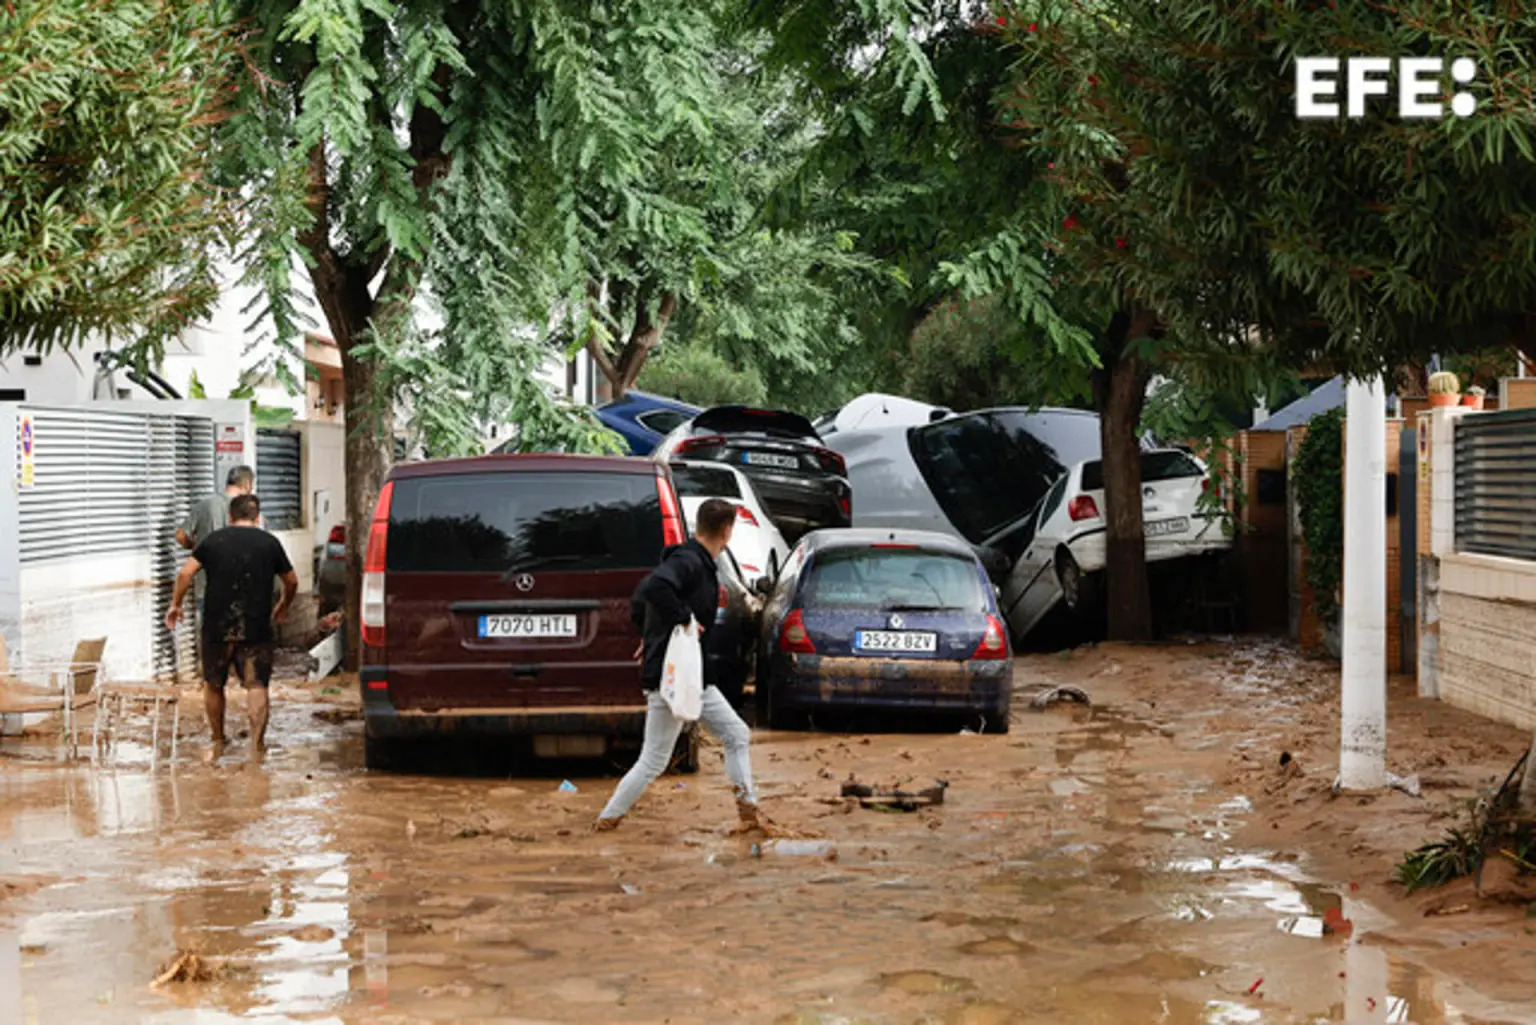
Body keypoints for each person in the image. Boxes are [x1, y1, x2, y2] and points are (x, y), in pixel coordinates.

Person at [595, 499, 765, 832]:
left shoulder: (694, 561)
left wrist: (652, 633)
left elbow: (642, 598)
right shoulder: (690, 562)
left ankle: (749, 812)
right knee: (654, 760)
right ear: (727, 531)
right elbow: (656, 587)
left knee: (736, 734)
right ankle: (606, 821)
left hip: (693, 677)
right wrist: (682, 618)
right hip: (673, 677)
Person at [165, 493, 298, 758]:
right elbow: (292, 581)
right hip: (257, 625)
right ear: (257, 517)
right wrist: (283, 605)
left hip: (217, 624)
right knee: (257, 685)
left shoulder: (213, 541)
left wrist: (175, 604)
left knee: (214, 684)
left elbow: (185, 573)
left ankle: (218, 740)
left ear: (230, 516)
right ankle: (257, 745)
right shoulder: (270, 543)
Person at [176, 466, 256, 640]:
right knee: (240, 643)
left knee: (210, 642)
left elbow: (181, 535)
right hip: (239, 589)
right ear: (247, 484)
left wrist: (196, 548)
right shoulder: (247, 510)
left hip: (206, 587)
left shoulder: (205, 504)